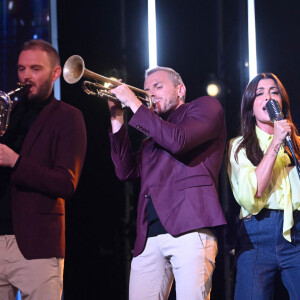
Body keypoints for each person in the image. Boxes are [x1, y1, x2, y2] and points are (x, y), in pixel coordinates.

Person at [107, 66, 226, 299]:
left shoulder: (204, 107)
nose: (150, 94)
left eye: (158, 87)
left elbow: (178, 140)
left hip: (191, 227)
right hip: (149, 236)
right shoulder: (152, 137)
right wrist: (117, 116)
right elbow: (125, 171)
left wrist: (134, 103)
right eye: (146, 90)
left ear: (180, 89)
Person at [0, 39, 87, 299]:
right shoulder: (8, 113)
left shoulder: (68, 116)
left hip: (37, 245)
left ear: (56, 73)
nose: (26, 77)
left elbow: (66, 183)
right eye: (21, 69)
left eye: (35, 69)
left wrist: (16, 161)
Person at [227, 73, 300, 299]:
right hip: (257, 234)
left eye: (274, 92)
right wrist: (276, 142)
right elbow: (252, 194)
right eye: (260, 93)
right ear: (251, 107)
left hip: (296, 232)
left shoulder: (297, 144)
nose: (268, 97)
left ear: (282, 104)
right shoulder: (238, 146)